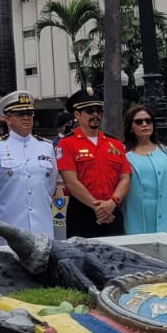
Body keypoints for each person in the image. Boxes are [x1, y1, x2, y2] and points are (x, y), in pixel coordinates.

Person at [0, 91, 59, 243]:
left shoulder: (46, 146)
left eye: (29, 113)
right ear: (8, 119)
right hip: (10, 225)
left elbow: (50, 185)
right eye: (20, 114)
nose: (26, 118)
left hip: (42, 226)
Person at [56, 91, 130, 238]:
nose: (95, 115)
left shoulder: (115, 144)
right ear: (77, 114)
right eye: (89, 111)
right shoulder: (66, 144)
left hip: (112, 211)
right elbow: (71, 181)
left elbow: (125, 178)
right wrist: (97, 207)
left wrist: (111, 204)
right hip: (82, 213)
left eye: (98, 111)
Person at [121, 104, 167, 237]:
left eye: (148, 121)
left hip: (166, 221)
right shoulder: (123, 154)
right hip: (134, 221)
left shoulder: (166, 152)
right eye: (139, 122)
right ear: (130, 127)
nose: (145, 124)